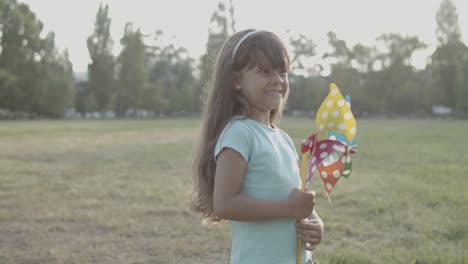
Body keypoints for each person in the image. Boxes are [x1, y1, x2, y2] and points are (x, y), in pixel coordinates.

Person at [192, 29, 324, 264]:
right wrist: (289, 209)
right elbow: (225, 204)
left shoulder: (283, 139)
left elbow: (293, 198)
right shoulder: (239, 133)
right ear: (236, 80)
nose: (278, 79)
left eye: (282, 71)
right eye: (265, 71)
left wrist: (315, 221)